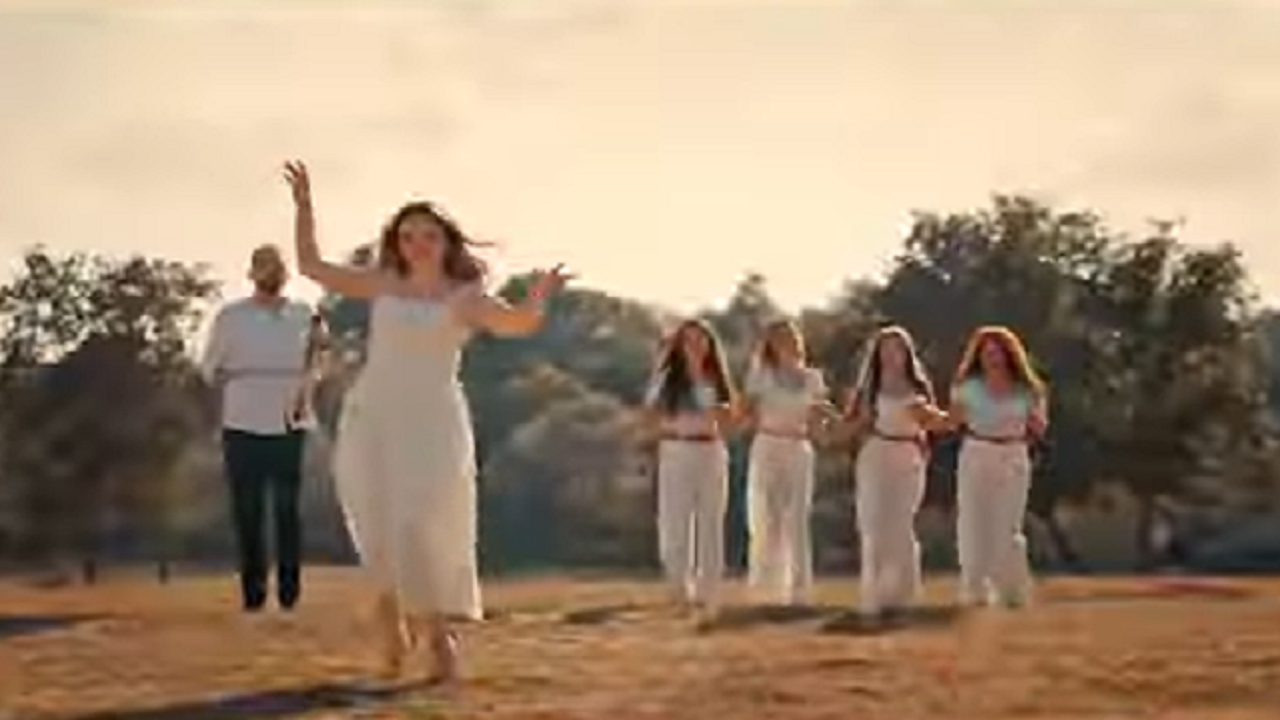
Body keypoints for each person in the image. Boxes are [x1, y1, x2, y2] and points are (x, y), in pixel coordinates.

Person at [281, 160, 568, 682]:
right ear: (396, 242)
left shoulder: (465, 297)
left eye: (428, 236)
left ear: (446, 242)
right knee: (374, 522)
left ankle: (436, 633)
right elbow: (311, 266)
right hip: (373, 413)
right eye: (407, 236)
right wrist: (304, 207)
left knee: (419, 525)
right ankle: (389, 622)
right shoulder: (383, 283)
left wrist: (539, 296)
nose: (417, 244)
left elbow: (518, 324)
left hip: (432, 419)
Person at [201, 244, 322, 613]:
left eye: (277, 268)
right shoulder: (231, 317)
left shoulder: (304, 314)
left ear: (285, 274)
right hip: (242, 421)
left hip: (289, 418)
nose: (271, 274)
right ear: (252, 273)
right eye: (264, 268)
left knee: (287, 509)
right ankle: (253, 594)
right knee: (248, 510)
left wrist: (306, 390)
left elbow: (319, 358)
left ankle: (289, 593)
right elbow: (209, 368)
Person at [844, 325, 948, 622]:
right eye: (886, 349)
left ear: (907, 353)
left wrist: (940, 416)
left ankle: (902, 595)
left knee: (900, 524)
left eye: (898, 349)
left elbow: (936, 423)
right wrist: (831, 420)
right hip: (876, 453)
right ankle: (873, 597)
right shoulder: (869, 389)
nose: (892, 355)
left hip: (909, 455)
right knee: (873, 523)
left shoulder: (918, 387)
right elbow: (851, 425)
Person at [642, 320, 737, 618]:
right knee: (675, 521)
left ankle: (709, 590)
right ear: (679, 347)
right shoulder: (667, 379)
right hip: (677, 448)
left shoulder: (717, 378)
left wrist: (713, 402)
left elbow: (729, 421)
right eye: (689, 341)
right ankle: (679, 589)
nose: (696, 347)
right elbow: (648, 417)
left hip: (711, 448)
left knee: (711, 521)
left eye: (701, 340)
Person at [948, 325, 1048, 609]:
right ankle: (974, 589)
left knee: (1008, 526)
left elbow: (1039, 427)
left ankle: (1013, 591)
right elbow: (953, 422)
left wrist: (1034, 418)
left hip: (1013, 452)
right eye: (987, 353)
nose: (993, 358)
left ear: (1009, 355)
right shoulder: (967, 388)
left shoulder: (1027, 389)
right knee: (973, 523)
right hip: (977, 451)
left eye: (998, 352)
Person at [742, 319, 832, 606]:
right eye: (779, 339)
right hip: (768, 443)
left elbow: (818, 423)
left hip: (798, 445)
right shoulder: (760, 376)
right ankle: (766, 589)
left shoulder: (813, 378)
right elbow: (746, 413)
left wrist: (828, 422)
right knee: (766, 516)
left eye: (790, 338)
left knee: (797, 518)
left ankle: (799, 590)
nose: (786, 344)